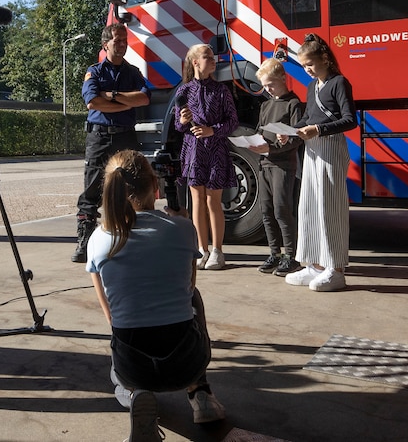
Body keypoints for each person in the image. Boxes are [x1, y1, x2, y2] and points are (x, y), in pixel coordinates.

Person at [86, 149, 226, 441]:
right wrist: (181, 222)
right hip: (185, 362)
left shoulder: (99, 239)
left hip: (133, 366)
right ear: (156, 188)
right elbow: (188, 287)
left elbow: (111, 315)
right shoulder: (182, 229)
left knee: (119, 363)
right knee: (193, 298)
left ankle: (136, 395)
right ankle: (200, 394)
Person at [281, 33, 357, 292]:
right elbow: (306, 118)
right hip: (312, 150)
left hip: (331, 148)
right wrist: (290, 130)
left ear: (324, 58)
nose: (307, 70)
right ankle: (312, 265)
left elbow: (350, 120)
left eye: (310, 64)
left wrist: (318, 130)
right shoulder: (312, 87)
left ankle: (335, 269)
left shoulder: (339, 83)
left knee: (329, 209)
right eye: (303, 66)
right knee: (309, 207)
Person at [72, 22, 150, 263]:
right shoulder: (94, 71)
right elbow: (92, 102)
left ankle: (131, 237)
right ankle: (85, 240)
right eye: (117, 40)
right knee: (92, 189)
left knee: (132, 187)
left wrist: (113, 96)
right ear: (105, 44)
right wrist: (127, 103)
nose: (122, 44)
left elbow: (145, 98)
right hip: (100, 137)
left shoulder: (133, 72)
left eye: (125, 40)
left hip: (126, 135)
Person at [172, 44, 238, 270]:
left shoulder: (222, 91)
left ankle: (218, 251)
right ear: (195, 62)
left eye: (212, 56)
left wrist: (213, 130)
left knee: (213, 201)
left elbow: (233, 121)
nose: (212, 59)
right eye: (207, 56)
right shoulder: (183, 91)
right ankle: (202, 249)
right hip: (193, 151)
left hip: (216, 150)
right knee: (197, 201)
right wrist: (182, 121)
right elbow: (177, 126)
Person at [247, 57, 305, 277]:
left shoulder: (293, 104)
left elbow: (298, 137)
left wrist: (283, 142)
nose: (268, 89)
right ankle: (275, 253)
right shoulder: (266, 105)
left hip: (283, 165)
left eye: (271, 84)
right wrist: (255, 143)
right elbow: (259, 131)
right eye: (264, 86)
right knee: (266, 211)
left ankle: (291, 255)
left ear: (283, 78)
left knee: (282, 209)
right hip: (265, 164)